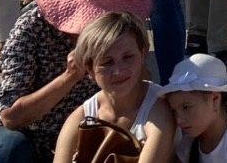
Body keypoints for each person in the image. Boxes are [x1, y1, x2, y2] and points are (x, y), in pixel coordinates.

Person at [0, 0, 153, 163]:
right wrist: (70, 76)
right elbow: (10, 118)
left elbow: (141, 94)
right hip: (31, 135)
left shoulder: (123, 31)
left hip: (92, 133)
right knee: (6, 148)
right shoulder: (31, 27)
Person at [52, 11, 174, 163]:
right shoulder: (82, 116)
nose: (118, 71)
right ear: (90, 69)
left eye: (128, 57)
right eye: (107, 62)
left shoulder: (160, 111)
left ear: (143, 55)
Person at [162, 54, 227, 163]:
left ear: (215, 100)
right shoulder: (188, 140)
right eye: (174, 111)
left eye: (186, 107)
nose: (179, 120)